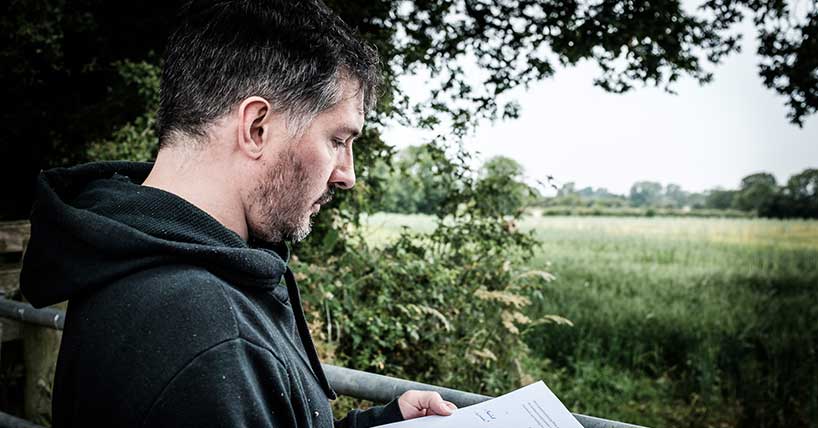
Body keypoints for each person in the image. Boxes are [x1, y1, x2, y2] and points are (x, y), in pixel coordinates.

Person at [20, 0, 457, 426]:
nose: (347, 175)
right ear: (256, 128)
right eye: (339, 140)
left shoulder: (133, 256)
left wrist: (383, 421)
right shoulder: (208, 334)